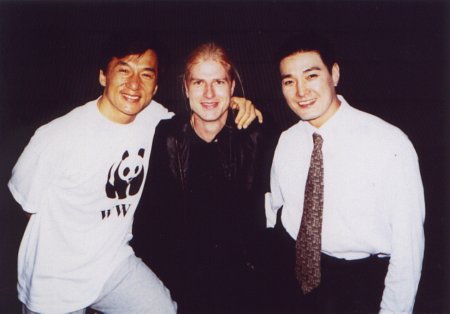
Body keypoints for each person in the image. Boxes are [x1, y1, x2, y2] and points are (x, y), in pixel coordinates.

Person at [8, 34, 260, 314]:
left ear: (155, 87)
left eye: (146, 74)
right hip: (55, 280)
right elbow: (25, 206)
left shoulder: (154, 118)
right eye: (124, 71)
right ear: (103, 76)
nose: (134, 85)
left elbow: (201, 113)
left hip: (112, 265)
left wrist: (235, 104)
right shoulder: (56, 137)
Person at [265, 33, 425, 313]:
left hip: (360, 287)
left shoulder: (388, 142)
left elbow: (408, 247)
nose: (301, 91)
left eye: (311, 76)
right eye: (289, 81)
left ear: (334, 74)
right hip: (292, 281)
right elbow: (277, 209)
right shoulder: (287, 141)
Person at [132, 42, 276, 313]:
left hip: (244, 288)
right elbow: (148, 223)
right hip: (183, 285)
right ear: (186, 88)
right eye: (199, 82)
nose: (209, 93)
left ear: (232, 88)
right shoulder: (167, 135)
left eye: (219, 82)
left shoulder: (258, 135)